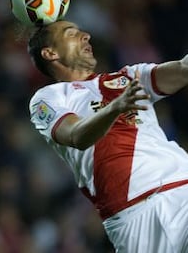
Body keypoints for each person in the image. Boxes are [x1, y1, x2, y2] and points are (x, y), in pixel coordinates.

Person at [27, 20, 188, 252]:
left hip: (182, 188)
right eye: (72, 34)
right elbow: (75, 135)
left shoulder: (130, 76)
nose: (86, 36)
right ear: (50, 53)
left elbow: (183, 70)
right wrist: (115, 108)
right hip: (133, 216)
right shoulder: (47, 98)